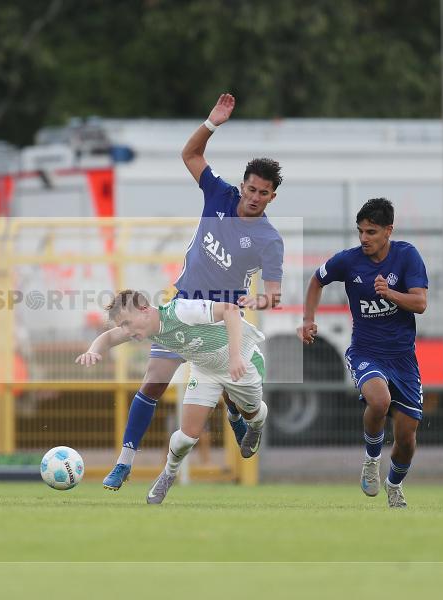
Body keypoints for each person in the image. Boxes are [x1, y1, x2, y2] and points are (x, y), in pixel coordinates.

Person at [101, 93, 284, 491]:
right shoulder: (220, 195)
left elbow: (274, 294)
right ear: (243, 185)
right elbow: (190, 155)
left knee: (234, 389)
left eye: (263, 193)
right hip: (182, 307)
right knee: (153, 381)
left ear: (272, 196)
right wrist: (212, 123)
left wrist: (261, 300)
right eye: (251, 189)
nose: (254, 197)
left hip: (220, 320)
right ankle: (124, 462)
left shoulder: (269, 239)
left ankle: (239, 415)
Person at [78, 290, 269, 504]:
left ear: (145, 310)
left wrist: (234, 357)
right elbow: (110, 336)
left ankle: (250, 422)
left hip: (241, 361)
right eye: (122, 326)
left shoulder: (180, 311)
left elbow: (231, 310)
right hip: (205, 371)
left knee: (252, 413)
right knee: (187, 436)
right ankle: (167, 475)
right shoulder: (144, 327)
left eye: (127, 324)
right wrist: (93, 350)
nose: (126, 331)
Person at [297, 198, 428, 508]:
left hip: (403, 359)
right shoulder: (349, 261)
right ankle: (371, 458)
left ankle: (394, 484)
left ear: (388, 231)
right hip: (365, 351)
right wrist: (308, 319)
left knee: (407, 440)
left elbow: (420, 304)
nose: (364, 239)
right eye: (360, 232)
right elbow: (317, 280)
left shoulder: (407, 256)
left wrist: (390, 293)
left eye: (371, 232)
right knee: (379, 401)